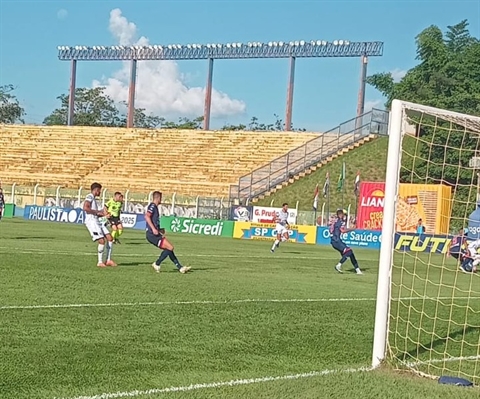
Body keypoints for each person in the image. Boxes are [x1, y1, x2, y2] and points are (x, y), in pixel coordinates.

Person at [145, 191, 191, 274]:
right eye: (161, 198)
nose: (161, 200)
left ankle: (180, 268)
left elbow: (152, 220)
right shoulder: (152, 206)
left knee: (169, 249)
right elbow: (147, 216)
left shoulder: (155, 207)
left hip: (154, 233)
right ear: (158, 198)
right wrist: (154, 229)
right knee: (170, 247)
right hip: (152, 234)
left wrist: (159, 229)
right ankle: (157, 263)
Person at [83, 182, 116, 268]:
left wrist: (104, 214)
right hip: (92, 222)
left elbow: (96, 212)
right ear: (96, 190)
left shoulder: (93, 199)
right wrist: (98, 212)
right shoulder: (89, 197)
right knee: (101, 240)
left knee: (110, 238)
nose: (100, 193)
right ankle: (100, 262)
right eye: (99, 191)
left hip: (97, 221)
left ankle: (108, 260)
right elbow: (86, 208)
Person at [330, 208, 362, 274]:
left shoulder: (336, 221)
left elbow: (331, 230)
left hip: (335, 241)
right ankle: (338, 265)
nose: (344, 216)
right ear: (340, 214)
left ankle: (358, 270)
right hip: (337, 241)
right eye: (343, 214)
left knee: (350, 253)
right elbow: (343, 230)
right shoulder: (340, 222)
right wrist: (352, 229)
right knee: (348, 251)